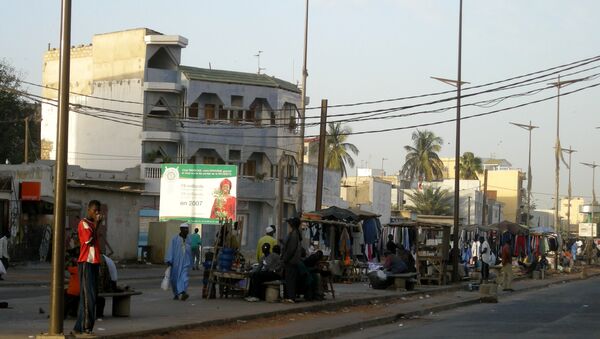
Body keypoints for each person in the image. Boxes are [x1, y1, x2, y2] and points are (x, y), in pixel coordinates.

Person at [73, 200, 103, 335]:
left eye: (99, 211)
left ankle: (78, 327)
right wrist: (97, 224)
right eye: (95, 210)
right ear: (89, 210)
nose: (97, 213)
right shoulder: (84, 223)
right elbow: (89, 241)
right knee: (88, 297)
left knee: (89, 296)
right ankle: (86, 328)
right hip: (86, 263)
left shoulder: (92, 224)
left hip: (94, 263)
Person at [165, 222, 192, 301]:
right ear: (181, 229)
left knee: (184, 278)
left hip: (185, 262)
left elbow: (190, 250)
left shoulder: (189, 239)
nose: (186, 230)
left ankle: (183, 292)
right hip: (176, 263)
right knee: (174, 279)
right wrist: (169, 260)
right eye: (185, 229)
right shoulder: (174, 239)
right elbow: (170, 249)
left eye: (187, 229)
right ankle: (176, 294)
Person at [282, 217, 303, 303]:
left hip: (291, 260)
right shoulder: (295, 233)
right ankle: (290, 296)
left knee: (290, 279)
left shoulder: (294, 234)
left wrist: (285, 259)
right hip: (293, 260)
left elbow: (291, 249)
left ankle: (291, 297)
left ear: (292, 225)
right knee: (290, 279)